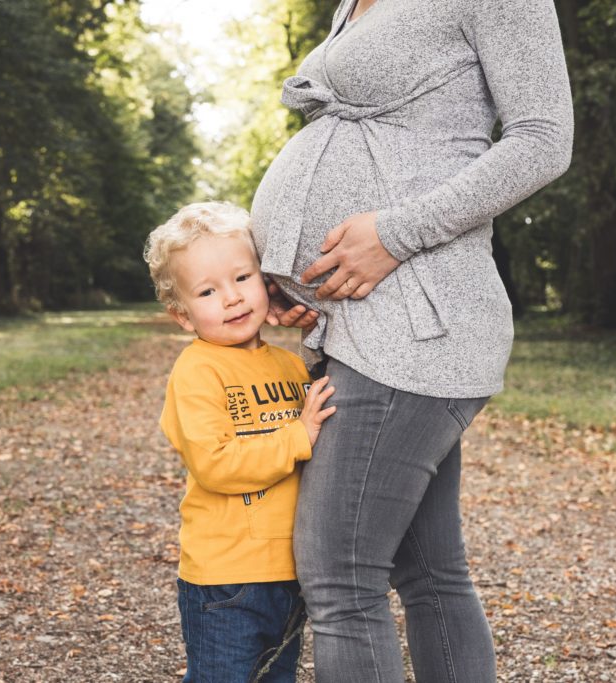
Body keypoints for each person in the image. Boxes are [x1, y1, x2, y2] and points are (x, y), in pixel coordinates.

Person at [249, 0, 575, 681]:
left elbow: (544, 139)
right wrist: (288, 276)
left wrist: (397, 233)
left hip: (416, 321)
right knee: (427, 569)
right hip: (365, 323)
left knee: (340, 575)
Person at [144, 201, 337, 682]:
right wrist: (298, 436)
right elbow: (216, 464)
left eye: (242, 278)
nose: (231, 298)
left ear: (264, 282)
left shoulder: (289, 366)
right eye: (208, 291)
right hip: (226, 577)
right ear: (183, 316)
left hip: (288, 570)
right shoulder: (198, 372)